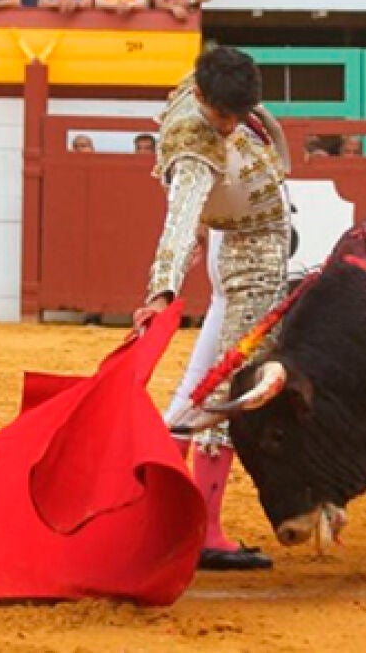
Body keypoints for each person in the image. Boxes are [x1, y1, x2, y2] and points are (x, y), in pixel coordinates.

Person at [132, 46, 290, 571]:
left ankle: (158, 512)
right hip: (252, 256)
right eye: (222, 116)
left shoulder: (207, 84)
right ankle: (204, 530)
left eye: (237, 115)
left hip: (234, 243)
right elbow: (178, 223)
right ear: (201, 97)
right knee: (228, 391)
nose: (228, 127)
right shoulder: (195, 146)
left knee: (202, 386)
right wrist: (162, 291)